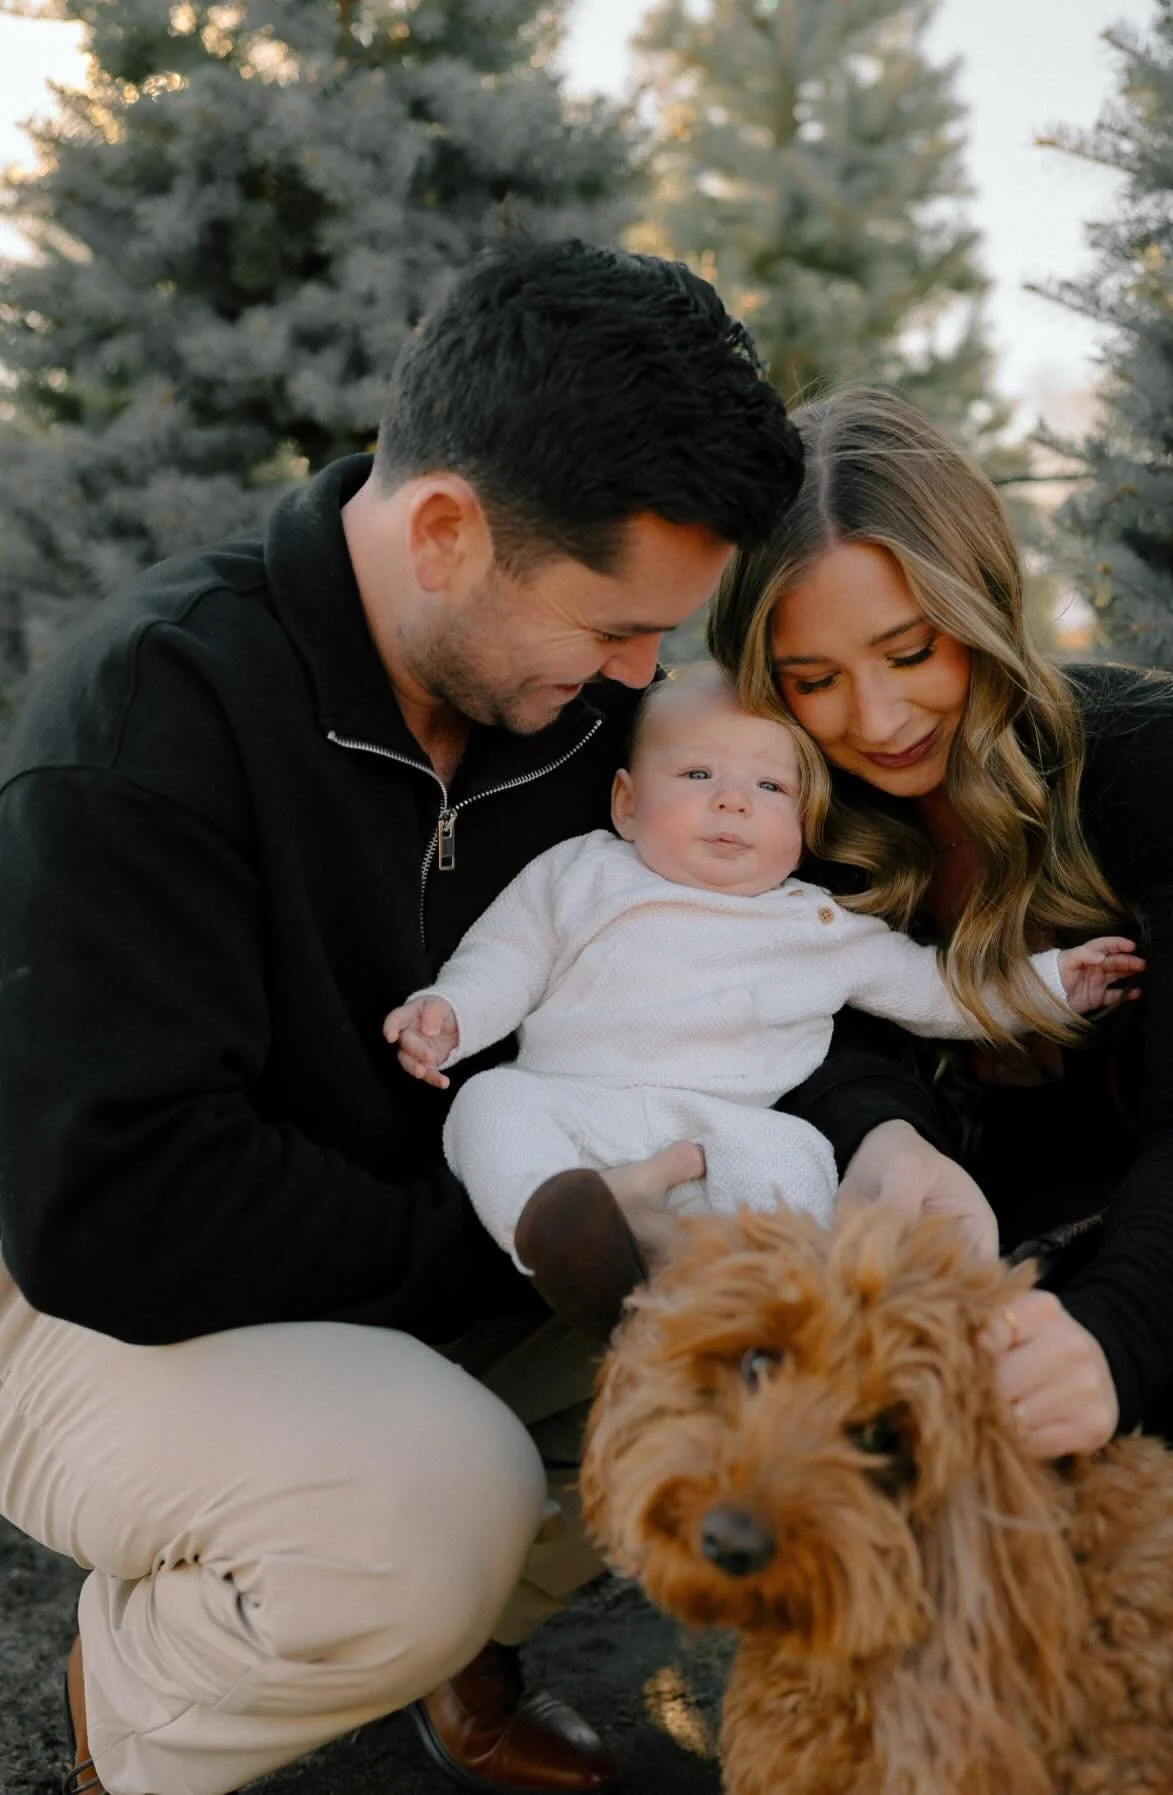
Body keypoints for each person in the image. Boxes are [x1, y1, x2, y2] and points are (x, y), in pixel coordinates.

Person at [0, 235, 824, 1795]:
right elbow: (113, 1208)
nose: (647, 673)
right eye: (613, 625)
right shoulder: (147, 722)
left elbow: (751, 960)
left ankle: (445, 1637)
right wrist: (537, 1232)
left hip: (415, 1260)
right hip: (86, 1306)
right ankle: (128, 1709)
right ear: (448, 527)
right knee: (425, 1497)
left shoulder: (585, 722)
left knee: (782, 1313)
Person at [706, 385, 1173, 1795]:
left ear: (980, 599)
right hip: (995, 1232)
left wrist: (1114, 1332)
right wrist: (885, 1133)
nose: (873, 715)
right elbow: (796, 1042)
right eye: (811, 678)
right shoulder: (768, 823)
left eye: (909, 651)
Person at [382, 664, 1143, 1334]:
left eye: (769, 786)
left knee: (800, 1156)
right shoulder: (581, 873)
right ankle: (554, 1234)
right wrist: (450, 1014)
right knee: (488, 1103)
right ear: (626, 801)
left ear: (806, 821)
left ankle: (787, 1315)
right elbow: (505, 957)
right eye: (698, 776)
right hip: (575, 1110)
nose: (733, 803)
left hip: (729, 1131)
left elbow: (938, 988)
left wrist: (1047, 984)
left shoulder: (820, 923)